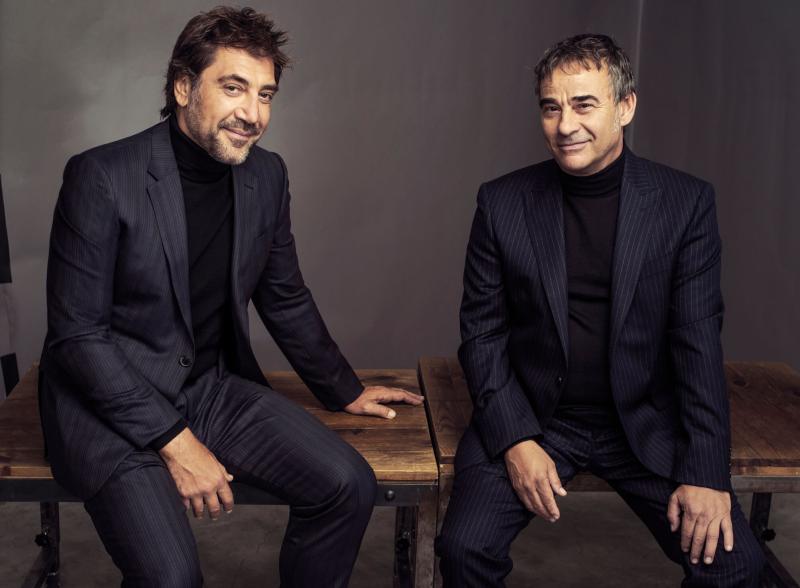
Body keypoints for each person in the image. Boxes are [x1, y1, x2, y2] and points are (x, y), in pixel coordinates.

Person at [39, 7, 422, 587]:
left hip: (208, 389)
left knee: (348, 485)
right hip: (108, 408)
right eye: (234, 88)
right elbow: (78, 339)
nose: (253, 114)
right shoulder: (102, 176)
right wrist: (176, 442)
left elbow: (284, 295)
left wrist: (343, 389)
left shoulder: (266, 175)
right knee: (171, 578)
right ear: (184, 87)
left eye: (265, 95)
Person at [435, 33, 765, 586]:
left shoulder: (684, 204)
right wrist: (515, 439)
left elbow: (697, 343)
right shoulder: (502, 202)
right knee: (464, 548)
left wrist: (707, 473)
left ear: (625, 107)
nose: (565, 125)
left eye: (584, 104)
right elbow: (482, 335)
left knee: (735, 568)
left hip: (643, 421)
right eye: (551, 107)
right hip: (537, 417)